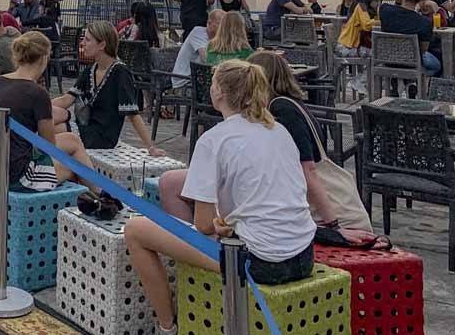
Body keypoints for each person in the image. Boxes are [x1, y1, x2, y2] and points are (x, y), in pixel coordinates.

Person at [126, 61, 316, 335]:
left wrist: (219, 223)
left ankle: (167, 326)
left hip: (261, 262)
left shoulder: (214, 140)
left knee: (135, 231)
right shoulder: (278, 130)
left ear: (218, 94)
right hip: (303, 253)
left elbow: (203, 226)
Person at [249, 51, 372, 232]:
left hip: (331, 215)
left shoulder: (282, 110)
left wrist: (333, 224)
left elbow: (308, 169)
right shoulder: (288, 103)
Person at [0, 31, 97, 192]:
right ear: (43, 58)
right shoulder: (37, 93)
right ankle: (101, 199)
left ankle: (99, 196)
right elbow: (49, 147)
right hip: (15, 176)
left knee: (72, 140)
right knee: (73, 168)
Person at [52, 21, 165, 155]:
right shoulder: (90, 70)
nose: (82, 43)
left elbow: (133, 115)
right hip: (85, 128)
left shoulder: (120, 73)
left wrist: (151, 147)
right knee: (51, 121)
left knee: (54, 130)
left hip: (103, 137)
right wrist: (39, 105)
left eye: (87, 40)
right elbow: (66, 99)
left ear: (102, 45)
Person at [378, 0, 441, 76]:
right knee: (437, 66)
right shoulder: (425, 23)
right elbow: (423, 50)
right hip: (411, 62)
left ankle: (401, 81)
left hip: (387, 59)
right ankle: (414, 82)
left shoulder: (385, 10)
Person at [172, 9, 226, 88]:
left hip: (198, 81)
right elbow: (207, 59)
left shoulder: (217, 39)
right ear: (209, 23)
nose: (224, 28)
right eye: (220, 24)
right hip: (185, 84)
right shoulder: (198, 33)